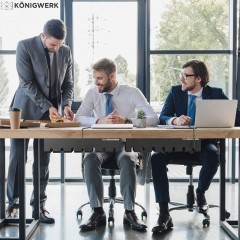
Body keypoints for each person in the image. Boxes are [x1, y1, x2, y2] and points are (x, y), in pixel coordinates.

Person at [151, 59, 240, 233]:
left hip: (204, 144)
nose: (181, 79)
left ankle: (200, 192)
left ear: (198, 78)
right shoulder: (176, 92)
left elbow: (235, 116)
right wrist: (175, 120)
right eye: (181, 74)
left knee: (214, 156)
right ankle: (164, 213)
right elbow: (163, 116)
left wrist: (225, 115)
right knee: (156, 158)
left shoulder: (215, 93)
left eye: (186, 75)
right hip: (177, 145)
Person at [74, 58, 159, 231]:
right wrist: (99, 120)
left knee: (127, 160)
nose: (96, 82)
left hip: (125, 144)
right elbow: (79, 118)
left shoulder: (132, 93)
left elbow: (151, 118)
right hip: (101, 143)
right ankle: (97, 211)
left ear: (112, 76)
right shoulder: (93, 93)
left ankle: (129, 212)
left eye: (99, 78)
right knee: (90, 158)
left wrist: (127, 120)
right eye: (94, 78)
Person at [6, 19, 74, 224]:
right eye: (53, 44)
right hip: (24, 111)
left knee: (43, 160)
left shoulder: (65, 51)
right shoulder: (24, 46)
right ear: (43, 36)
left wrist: (67, 105)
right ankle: (13, 204)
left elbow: (68, 83)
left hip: (51, 114)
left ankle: (39, 206)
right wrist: (48, 106)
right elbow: (26, 83)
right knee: (18, 157)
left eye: (60, 45)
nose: (56, 49)